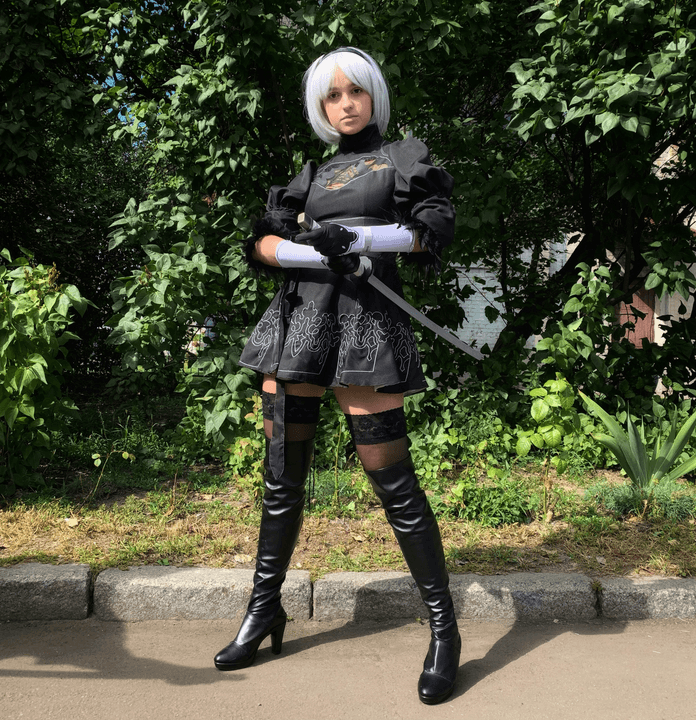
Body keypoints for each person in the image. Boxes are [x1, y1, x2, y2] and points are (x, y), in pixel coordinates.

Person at [213, 47, 460, 705]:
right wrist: (305, 251)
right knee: (281, 480)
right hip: (298, 322)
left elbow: (432, 232)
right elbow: (261, 242)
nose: (345, 103)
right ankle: (264, 610)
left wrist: (363, 242)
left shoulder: (404, 159)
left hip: (367, 323)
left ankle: (444, 630)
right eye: (332, 95)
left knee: (393, 483)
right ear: (321, 106)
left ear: (373, 94)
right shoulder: (313, 172)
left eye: (355, 91)